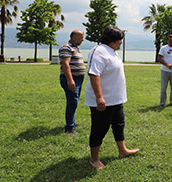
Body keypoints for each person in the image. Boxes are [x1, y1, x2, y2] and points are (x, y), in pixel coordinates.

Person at [85, 26, 139, 169]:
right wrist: (99, 97)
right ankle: (94, 159)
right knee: (99, 128)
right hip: (104, 100)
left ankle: (122, 150)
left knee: (118, 125)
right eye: (120, 39)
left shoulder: (112, 52)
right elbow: (94, 74)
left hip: (116, 99)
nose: (121, 42)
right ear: (112, 40)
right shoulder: (99, 52)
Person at [59, 30, 86, 134]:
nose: (83, 39)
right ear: (74, 37)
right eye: (81, 37)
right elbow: (66, 64)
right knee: (72, 102)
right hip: (71, 78)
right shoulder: (66, 48)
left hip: (78, 79)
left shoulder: (75, 48)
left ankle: (72, 122)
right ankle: (69, 128)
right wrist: (70, 80)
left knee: (74, 102)